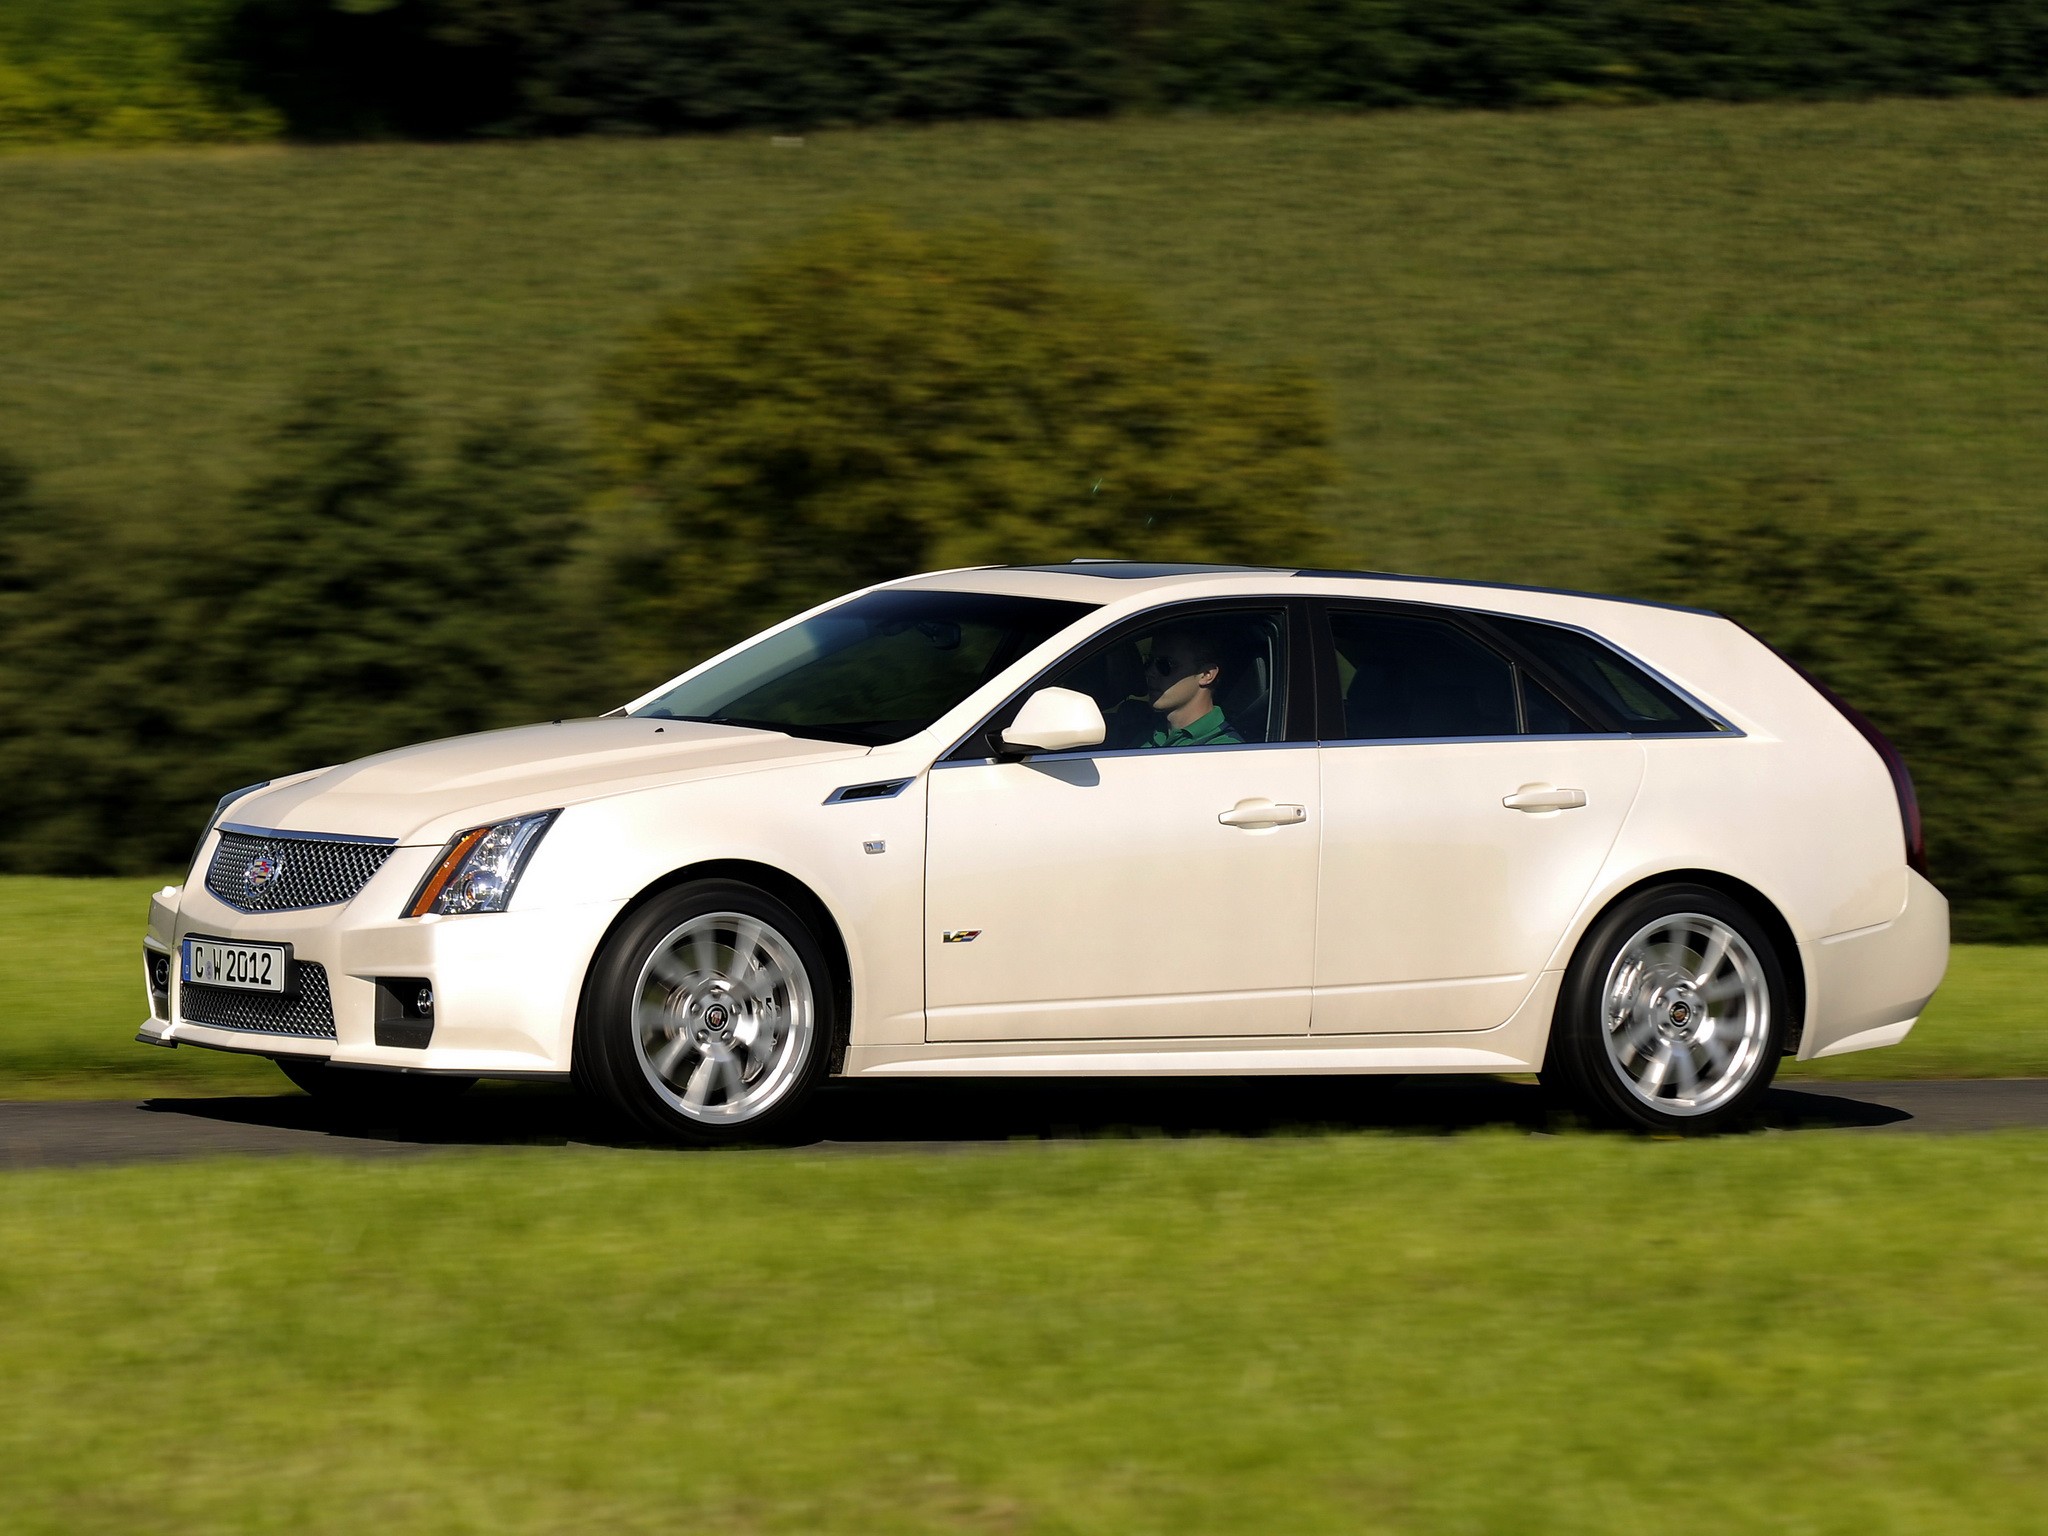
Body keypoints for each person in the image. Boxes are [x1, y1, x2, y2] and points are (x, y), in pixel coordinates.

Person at [1140, 625, 1243, 749]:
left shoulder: (1225, 749)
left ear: (1206, 674)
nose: (1150, 672)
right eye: (1148, 661)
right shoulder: (1144, 729)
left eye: (1166, 664)